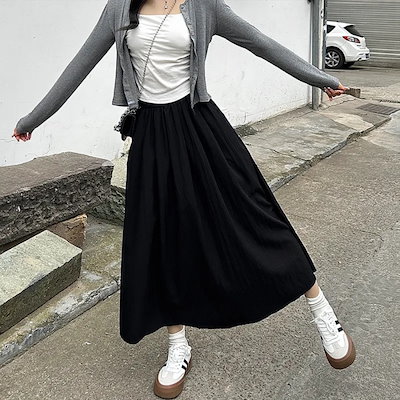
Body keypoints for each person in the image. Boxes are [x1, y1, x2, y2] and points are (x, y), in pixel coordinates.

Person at [12, 0, 355, 398]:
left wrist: (320, 79)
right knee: (163, 239)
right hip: (152, 138)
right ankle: (178, 345)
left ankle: (322, 313)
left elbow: (261, 43)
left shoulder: (204, 5)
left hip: (201, 128)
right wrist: (33, 119)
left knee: (253, 215)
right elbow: (78, 66)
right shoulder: (120, 8)